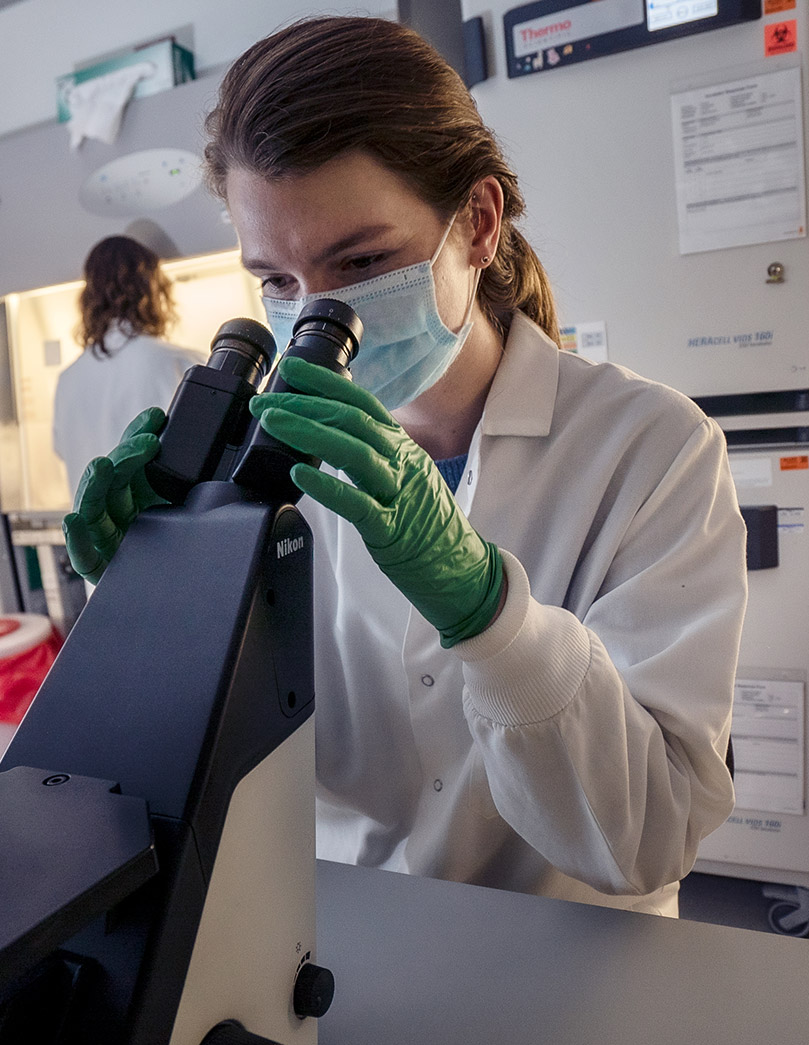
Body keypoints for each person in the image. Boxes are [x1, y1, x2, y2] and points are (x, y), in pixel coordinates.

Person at [63, 17, 747, 916]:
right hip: (352, 938)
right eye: (277, 281)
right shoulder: (257, 469)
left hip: (577, 956)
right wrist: (153, 608)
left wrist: (488, 615)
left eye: (363, 260)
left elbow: (650, 840)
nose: (318, 314)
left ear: (479, 223)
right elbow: (222, 774)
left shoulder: (652, 449)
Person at [51, 235, 200, 493]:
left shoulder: (67, 379)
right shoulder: (181, 363)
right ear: (153, 290)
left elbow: (62, 451)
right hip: (166, 526)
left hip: (96, 530)